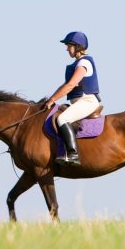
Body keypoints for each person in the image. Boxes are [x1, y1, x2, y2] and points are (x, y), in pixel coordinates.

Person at [44, 31, 101, 165]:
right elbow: (64, 85)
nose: (67, 49)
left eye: (69, 46)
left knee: (62, 118)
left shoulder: (84, 63)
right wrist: (51, 98)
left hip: (87, 101)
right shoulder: (78, 63)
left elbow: (70, 85)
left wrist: (53, 100)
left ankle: (73, 154)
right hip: (79, 101)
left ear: (78, 47)